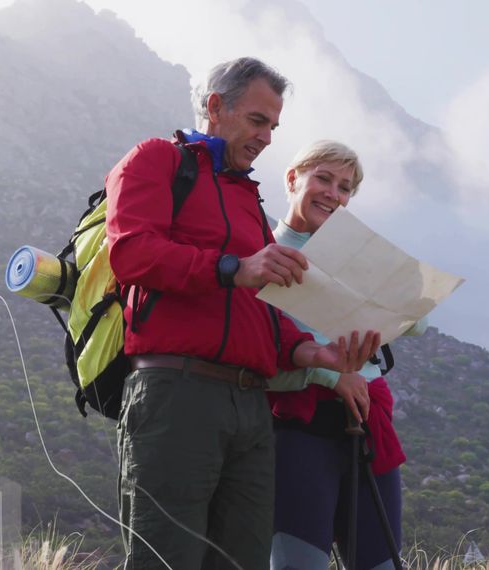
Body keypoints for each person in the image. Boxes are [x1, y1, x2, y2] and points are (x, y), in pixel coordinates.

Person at [104, 58, 380, 569]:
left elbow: (261, 311)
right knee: (167, 558)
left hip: (251, 409)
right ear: (215, 107)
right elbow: (130, 253)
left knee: (242, 561)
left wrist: (311, 351)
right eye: (258, 121)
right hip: (178, 395)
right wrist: (233, 267)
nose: (267, 138)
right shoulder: (157, 159)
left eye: (274, 126)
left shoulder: (247, 197)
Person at [266, 140, 427, 570]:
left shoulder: (354, 253)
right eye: (323, 178)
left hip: (368, 418)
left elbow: (417, 322)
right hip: (298, 424)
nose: (333, 194)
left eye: (345, 187)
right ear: (292, 179)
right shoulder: (264, 249)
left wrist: (401, 288)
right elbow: (258, 349)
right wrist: (331, 377)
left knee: (382, 564)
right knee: (299, 563)